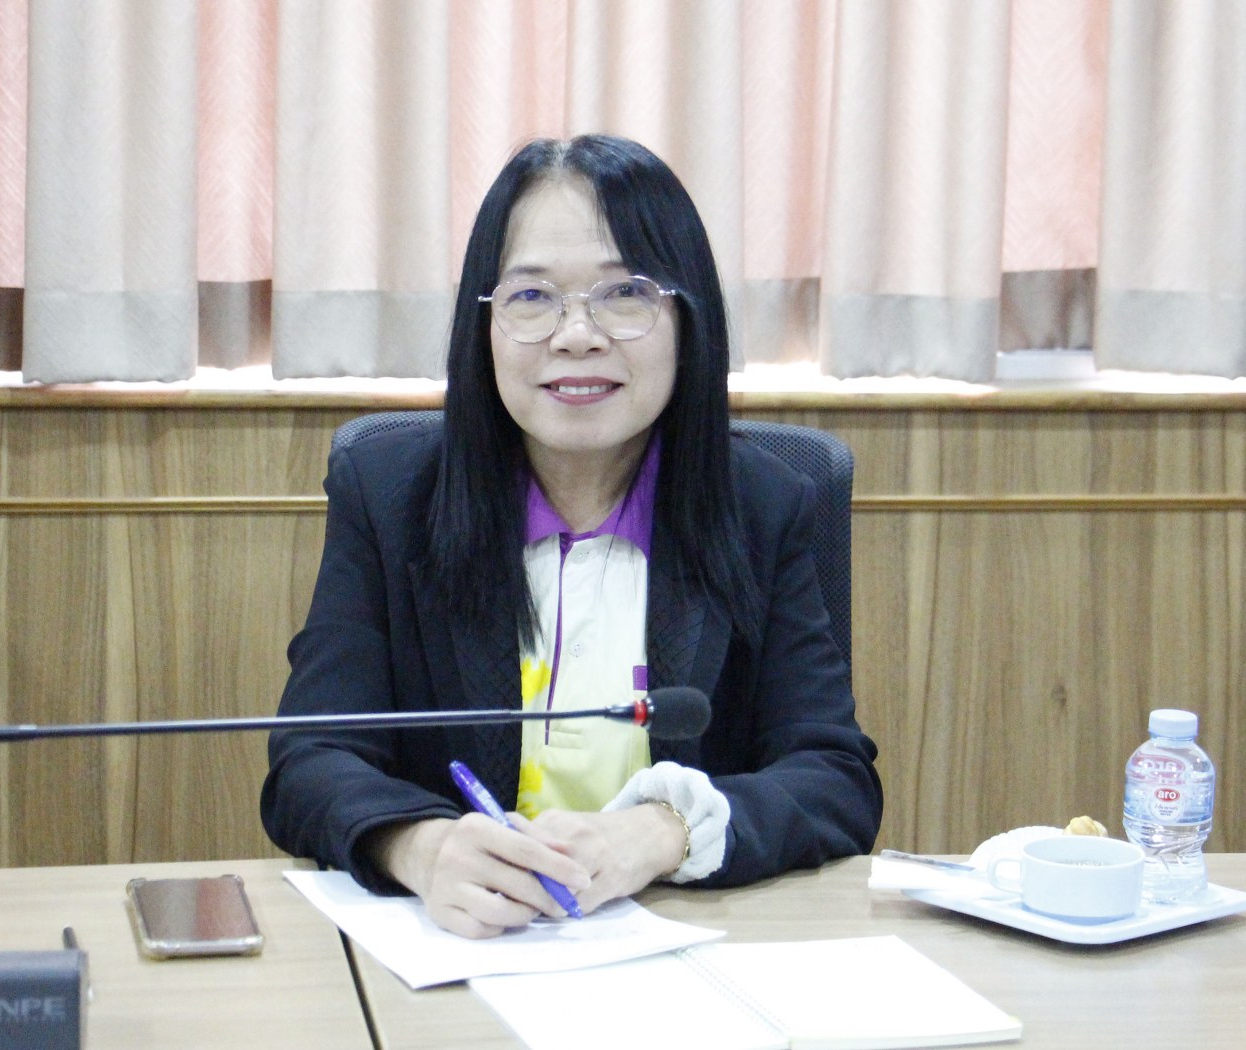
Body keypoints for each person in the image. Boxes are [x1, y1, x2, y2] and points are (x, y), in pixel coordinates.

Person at [260, 134, 882, 938]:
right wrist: (421, 847)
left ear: (687, 317)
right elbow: (312, 760)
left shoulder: (763, 504)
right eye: (531, 296)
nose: (576, 334)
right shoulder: (389, 493)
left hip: (687, 953)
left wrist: (661, 833)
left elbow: (832, 778)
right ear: (482, 325)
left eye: (624, 293)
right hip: (459, 948)